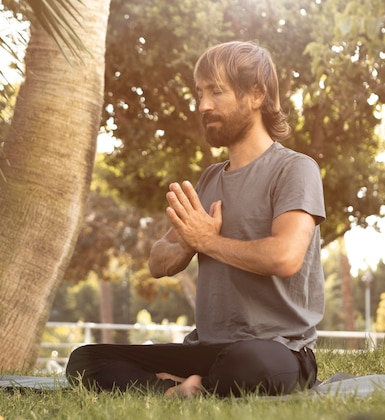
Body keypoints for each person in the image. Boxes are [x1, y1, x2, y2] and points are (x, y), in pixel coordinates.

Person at [65, 40, 326, 398]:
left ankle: (185, 385)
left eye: (216, 92)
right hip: (204, 349)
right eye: (200, 93)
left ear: (256, 94)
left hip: (278, 349)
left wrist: (208, 241)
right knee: (86, 360)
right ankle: (182, 389)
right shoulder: (209, 180)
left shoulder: (295, 169)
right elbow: (158, 261)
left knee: (250, 364)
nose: (203, 105)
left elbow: (284, 257)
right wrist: (188, 241)